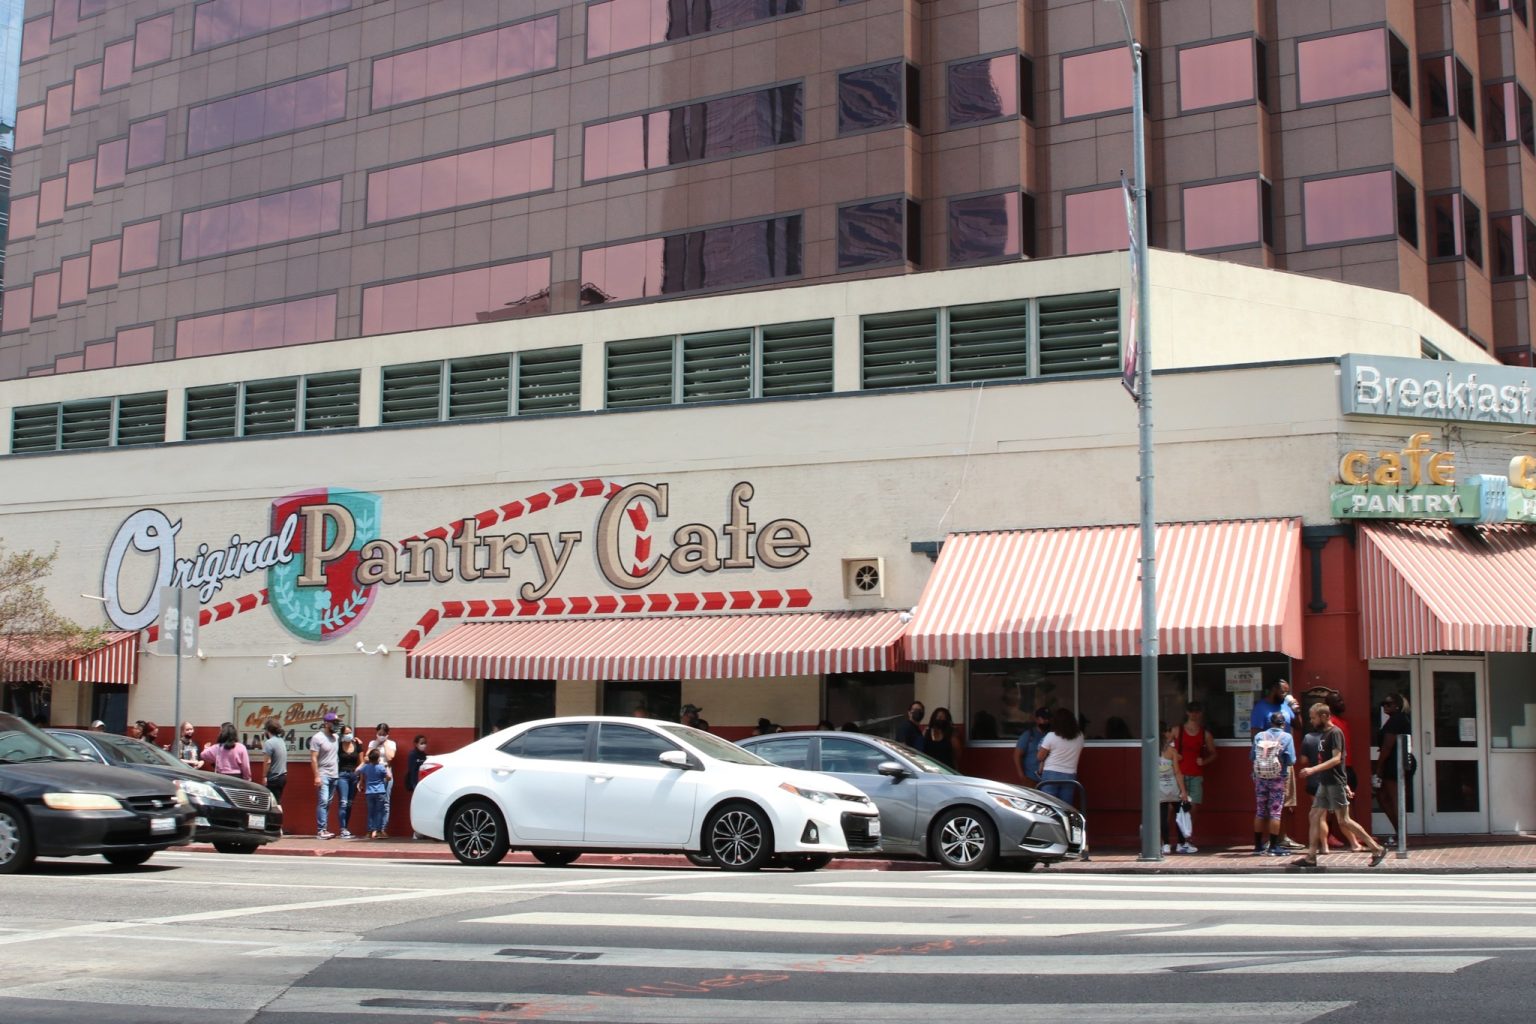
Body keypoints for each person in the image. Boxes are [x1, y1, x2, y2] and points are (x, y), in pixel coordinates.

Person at [1296, 702, 1386, 868]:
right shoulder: (1323, 734)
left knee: (1344, 820)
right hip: (1325, 781)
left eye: (1313, 717)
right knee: (1314, 815)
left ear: (1324, 716)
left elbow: (1337, 759)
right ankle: (1310, 857)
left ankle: (1377, 849)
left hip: (1334, 782)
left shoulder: (1335, 733)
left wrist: (1313, 770)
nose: (1311, 721)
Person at [1249, 678, 1303, 849]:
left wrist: (1297, 710)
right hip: (1267, 764)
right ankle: (1271, 841)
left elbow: (1299, 726)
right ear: (1273, 689)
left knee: (1284, 802)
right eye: (1283, 691)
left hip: (1282, 765)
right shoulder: (1261, 708)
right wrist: (1263, 758)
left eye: (1287, 691)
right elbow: (1254, 736)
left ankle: (1281, 837)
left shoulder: (1286, 705)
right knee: (1270, 805)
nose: (1285, 695)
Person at [1250, 711, 1295, 857]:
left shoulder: (1259, 736)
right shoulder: (1286, 737)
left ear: (1270, 722)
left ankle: (1257, 846)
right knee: (1275, 811)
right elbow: (1291, 760)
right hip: (1278, 778)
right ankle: (1273, 846)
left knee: (1260, 810)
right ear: (1283, 724)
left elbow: (1252, 756)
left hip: (1260, 778)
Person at [1374, 692, 1414, 841]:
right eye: (1383, 703)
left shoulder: (1397, 720)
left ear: (1397, 705)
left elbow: (1387, 746)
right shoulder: (1395, 720)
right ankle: (1400, 832)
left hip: (1395, 763)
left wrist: (1379, 767)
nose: (1385, 706)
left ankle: (1403, 836)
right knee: (1383, 796)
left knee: (1394, 798)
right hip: (1393, 762)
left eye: (1388, 703)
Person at [1174, 701, 1216, 841]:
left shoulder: (1205, 734)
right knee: (1171, 806)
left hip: (1196, 774)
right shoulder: (1177, 730)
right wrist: (1175, 756)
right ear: (1187, 712)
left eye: (1197, 711)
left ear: (1201, 713)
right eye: (1191, 711)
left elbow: (1213, 753)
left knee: (1193, 807)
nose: (1194, 714)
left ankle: (1187, 836)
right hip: (1178, 773)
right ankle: (1166, 836)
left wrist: (1203, 761)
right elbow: (1165, 749)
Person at [1036, 708, 1084, 807]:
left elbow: (1040, 757)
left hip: (1051, 774)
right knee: (1066, 807)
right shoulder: (1080, 736)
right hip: (1070, 775)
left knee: (1049, 807)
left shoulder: (1051, 736)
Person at [1158, 722, 1192, 854]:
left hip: (1158, 789)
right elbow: (1178, 772)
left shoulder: (1150, 750)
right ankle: (1181, 843)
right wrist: (1183, 791)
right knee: (1179, 815)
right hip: (1172, 787)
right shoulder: (1171, 751)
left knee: (1162, 816)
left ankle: (1165, 844)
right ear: (1164, 734)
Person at [309, 712, 340, 839]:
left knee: (328, 802)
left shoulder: (336, 737)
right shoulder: (317, 738)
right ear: (327, 723)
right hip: (323, 774)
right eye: (334, 723)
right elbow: (313, 758)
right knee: (323, 801)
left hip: (334, 774)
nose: (337, 725)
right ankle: (321, 830)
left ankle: (325, 828)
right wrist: (316, 776)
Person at [368, 723, 398, 834]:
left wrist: (384, 743)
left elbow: (390, 757)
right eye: (379, 733)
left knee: (385, 802)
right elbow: (367, 757)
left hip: (386, 772)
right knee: (374, 802)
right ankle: (372, 828)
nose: (381, 735)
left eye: (383, 734)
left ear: (387, 734)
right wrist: (376, 744)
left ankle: (383, 828)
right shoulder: (372, 743)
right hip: (374, 773)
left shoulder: (391, 743)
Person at [1012, 707, 1052, 787]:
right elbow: (1017, 755)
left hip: (1048, 779)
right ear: (1037, 720)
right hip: (1030, 778)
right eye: (1043, 718)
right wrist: (1022, 776)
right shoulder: (1028, 735)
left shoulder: (1052, 735)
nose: (1046, 721)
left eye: (1048, 719)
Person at [359, 747, 393, 839]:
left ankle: (370, 831)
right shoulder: (381, 767)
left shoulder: (366, 767)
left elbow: (357, 771)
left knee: (371, 812)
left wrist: (363, 763)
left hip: (369, 792)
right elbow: (389, 778)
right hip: (380, 792)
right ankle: (379, 831)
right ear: (378, 758)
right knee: (379, 812)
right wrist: (388, 768)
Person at [335, 728, 362, 838]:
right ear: (342, 735)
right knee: (343, 802)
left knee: (350, 803)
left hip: (354, 775)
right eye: (346, 733)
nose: (348, 735)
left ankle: (346, 827)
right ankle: (342, 829)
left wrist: (361, 778)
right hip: (342, 775)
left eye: (350, 732)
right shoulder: (339, 745)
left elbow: (362, 762)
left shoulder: (357, 744)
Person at [262, 717, 287, 811]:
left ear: (267, 730)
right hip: (282, 776)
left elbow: (267, 762)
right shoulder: (281, 741)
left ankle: (278, 824)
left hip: (274, 778)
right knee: (277, 801)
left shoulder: (269, 743)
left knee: (274, 803)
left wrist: (264, 776)